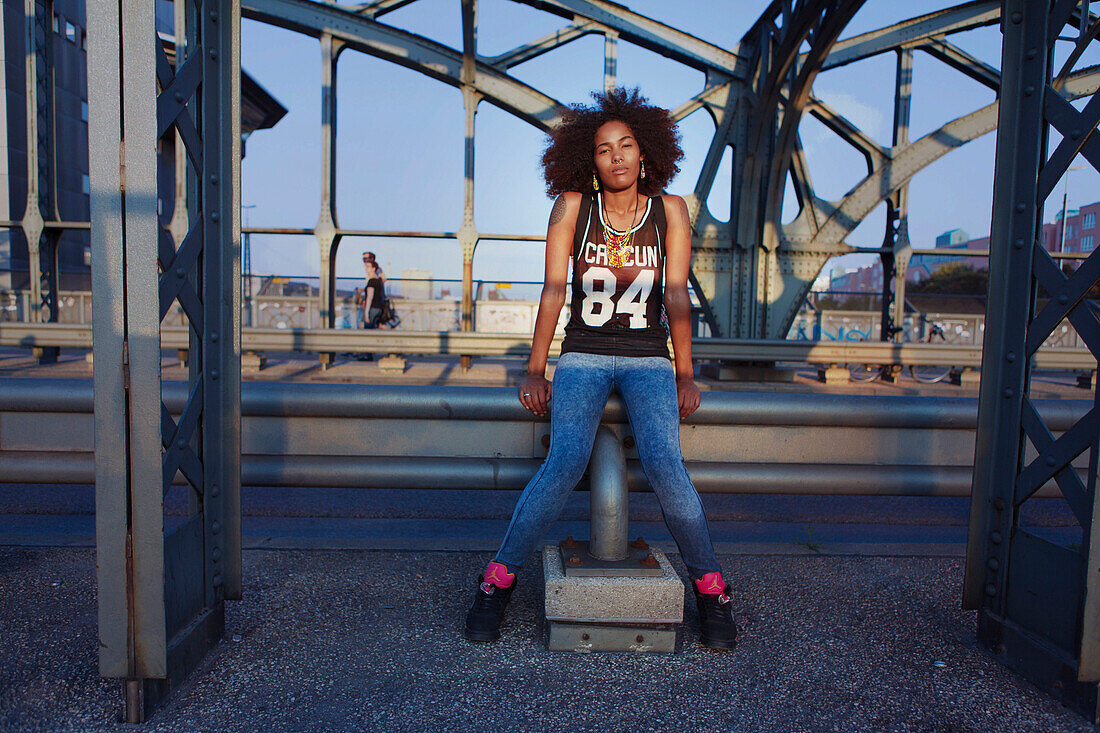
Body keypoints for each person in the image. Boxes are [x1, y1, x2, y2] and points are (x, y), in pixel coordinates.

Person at [463, 88, 738, 650]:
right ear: (588, 159)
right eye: (604, 148)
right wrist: (535, 368)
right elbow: (553, 290)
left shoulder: (670, 211)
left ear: (645, 154)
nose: (616, 156)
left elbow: (678, 295)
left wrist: (687, 372)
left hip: (649, 358)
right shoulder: (573, 207)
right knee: (565, 461)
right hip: (583, 354)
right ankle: (497, 583)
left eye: (626, 145)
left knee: (665, 464)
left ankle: (711, 589)